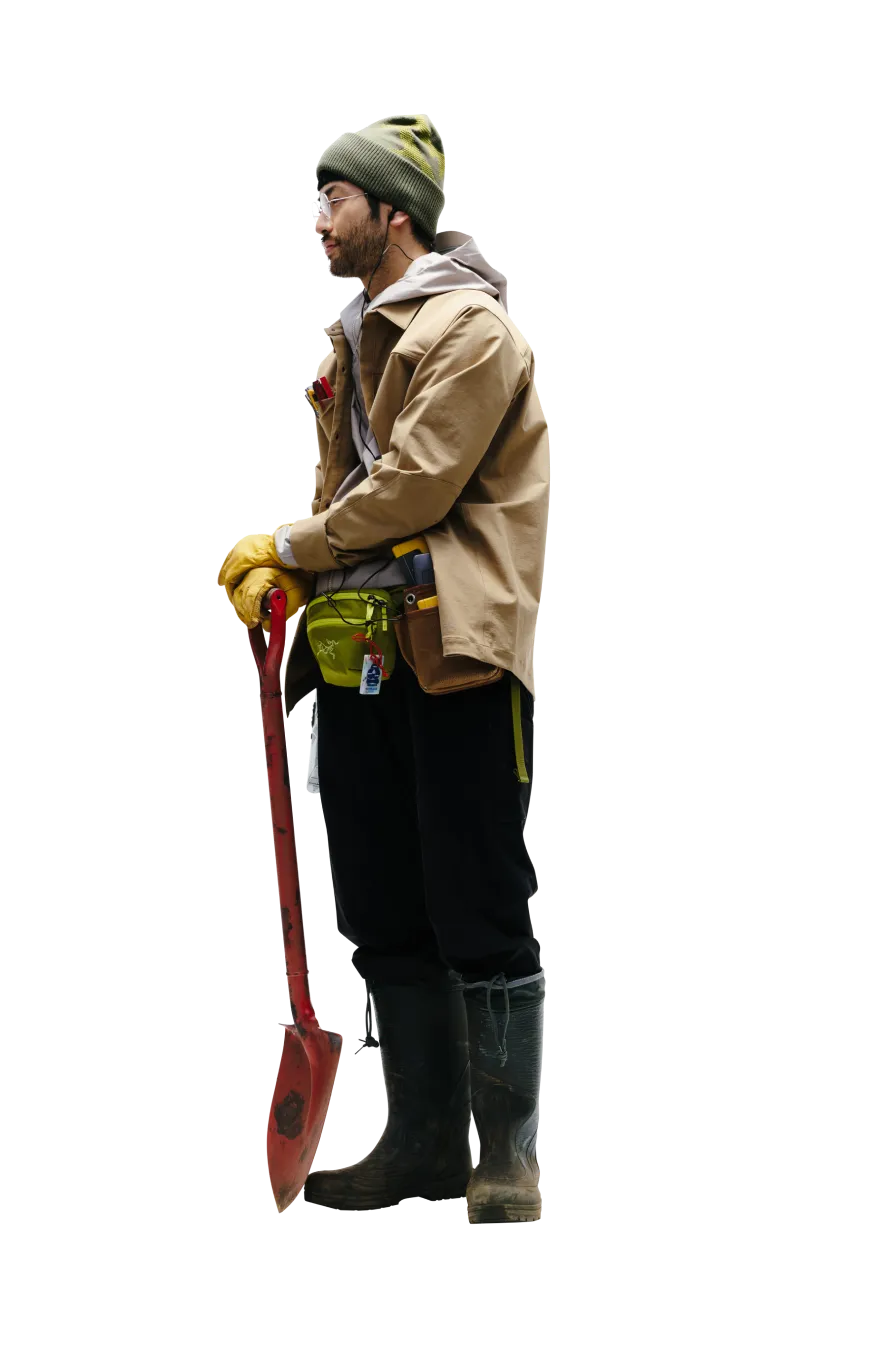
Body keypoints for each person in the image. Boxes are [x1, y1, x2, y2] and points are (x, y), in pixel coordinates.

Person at [218, 114, 549, 1222]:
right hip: (359, 650)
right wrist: (294, 579)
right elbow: (347, 497)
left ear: (393, 212)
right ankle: (421, 1151)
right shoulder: (353, 336)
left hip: (454, 653)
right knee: (379, 895)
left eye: (336, 200)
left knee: (479, 893)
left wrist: (290, 544)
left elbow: (414, 485)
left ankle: (505, 1165)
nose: (319, 220)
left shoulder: (469, 328)